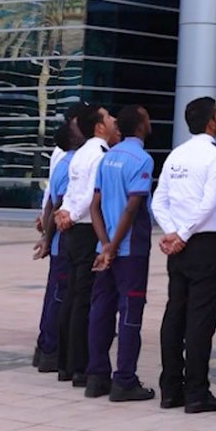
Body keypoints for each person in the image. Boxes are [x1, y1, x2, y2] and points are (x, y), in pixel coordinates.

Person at [152, 95, 216, 413]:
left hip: (180, 246)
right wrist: (182, 235)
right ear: (211, 121)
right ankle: (197, 391)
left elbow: (158, 202)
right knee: (200, 320)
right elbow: (210, 202)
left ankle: (171, 389)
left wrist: (173, 233)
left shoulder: (176, 155)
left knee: (175, 314)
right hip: (205, 243)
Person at [88, 104, 155, 402]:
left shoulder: (108, 158)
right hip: (130, 251)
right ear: (140, 125)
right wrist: (114, 245)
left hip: (105, 250)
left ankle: (96, 376)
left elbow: (94, 206)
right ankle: (124, 379)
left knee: (101, 311)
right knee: (130, 314)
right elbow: (132, 207)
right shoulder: (141, 159)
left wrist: (104, 244)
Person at [56, 103, 115, 384]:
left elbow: (71, 192)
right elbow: (91, 195)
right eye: (109, 117)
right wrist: (72, 216)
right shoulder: (100, 155)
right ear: (99, 126)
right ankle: (79, 365)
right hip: (87, 230)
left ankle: (65, 363)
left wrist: (65, 214)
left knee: (72, 297)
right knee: (83, 300)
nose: (114, 121)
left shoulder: (80, 154)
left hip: (72, 230)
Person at [32, 110, 83, 373]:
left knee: (56, 297)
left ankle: (46, 348)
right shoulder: (70, 163)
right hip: (62, 244)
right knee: (58, 298)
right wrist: (47, 237)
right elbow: (56, 203)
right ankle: (50, 349)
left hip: (58, 243)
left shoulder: (71, 161)